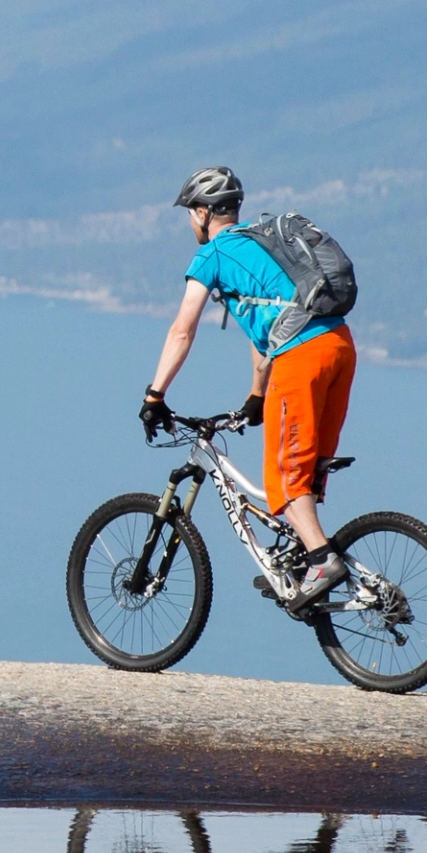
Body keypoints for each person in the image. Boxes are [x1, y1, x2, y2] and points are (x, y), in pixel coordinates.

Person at [142, 166, 356, 609]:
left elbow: (182, 331)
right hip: (339, 346)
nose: (189, 221)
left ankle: (321, 561)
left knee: (282, 479)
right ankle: (300, 557)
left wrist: (154, 395)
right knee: (309, 466)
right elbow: (267, 339)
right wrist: (258, 397)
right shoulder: (263, 241)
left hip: (303, 357)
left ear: (203, 213)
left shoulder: (214, 255)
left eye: (190, 212)